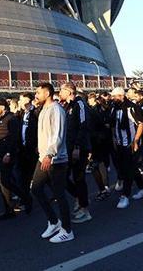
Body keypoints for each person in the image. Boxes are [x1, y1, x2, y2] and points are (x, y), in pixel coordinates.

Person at [31, 82, 74, 243]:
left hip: (56, 159)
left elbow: (58, 134)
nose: (36, 95)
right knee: (36, 189)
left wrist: (49, 153)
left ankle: (67, 230)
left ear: (47, 93)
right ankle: (54, 221)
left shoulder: (56, 109)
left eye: (39, 93)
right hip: (43, 157)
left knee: (59, 194)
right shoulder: (43, 110)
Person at [0, 99, 32, 220]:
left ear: (2, 107)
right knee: (4, 182)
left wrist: (8, 153)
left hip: (7, 155)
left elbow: (14, 138)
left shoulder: (11, 119)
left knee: (6, 181)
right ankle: (10, 208)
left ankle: (25, 198)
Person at [110, 87, 143, 209]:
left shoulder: (131, 107)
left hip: (131, 143)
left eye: (115, 96)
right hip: (120, 143)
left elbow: (141, 123)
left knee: (128, 170)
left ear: (122, 96)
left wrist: (136, 140)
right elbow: (112, 125)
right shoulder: (114, 108)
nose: (113, 98)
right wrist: (114, 139)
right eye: (113, 96)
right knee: (128, 168)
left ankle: (125, 195)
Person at [58, 83, 91, 223]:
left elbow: (83, 126)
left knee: (79, 178)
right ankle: (79, 197)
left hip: (78, 148)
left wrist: (77, 147)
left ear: (68, 91)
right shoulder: (68, 106)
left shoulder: (80, 104)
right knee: (64, 178)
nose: (60, 93)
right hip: (68, 148)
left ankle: (85, 210)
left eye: (61, 90)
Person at [86, 93, 112, 200]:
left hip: (98, 141)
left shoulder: (95, 110)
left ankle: (105, 186)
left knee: (99, 163)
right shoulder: (90, 110)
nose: (91, 101)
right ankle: (103, 188)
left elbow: (102, 124)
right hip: (96, 140)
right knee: (95, 165)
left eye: (92, 100)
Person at [16, 92, 39, 200]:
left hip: (33, 148)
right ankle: (25, 197)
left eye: (22, 100)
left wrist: (38, 145)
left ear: (28, 101)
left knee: (36, 175)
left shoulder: (35, 113)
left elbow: (39, 130)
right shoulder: (22, 114)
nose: (19, 102)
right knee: (24, 174)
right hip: (23, 148)